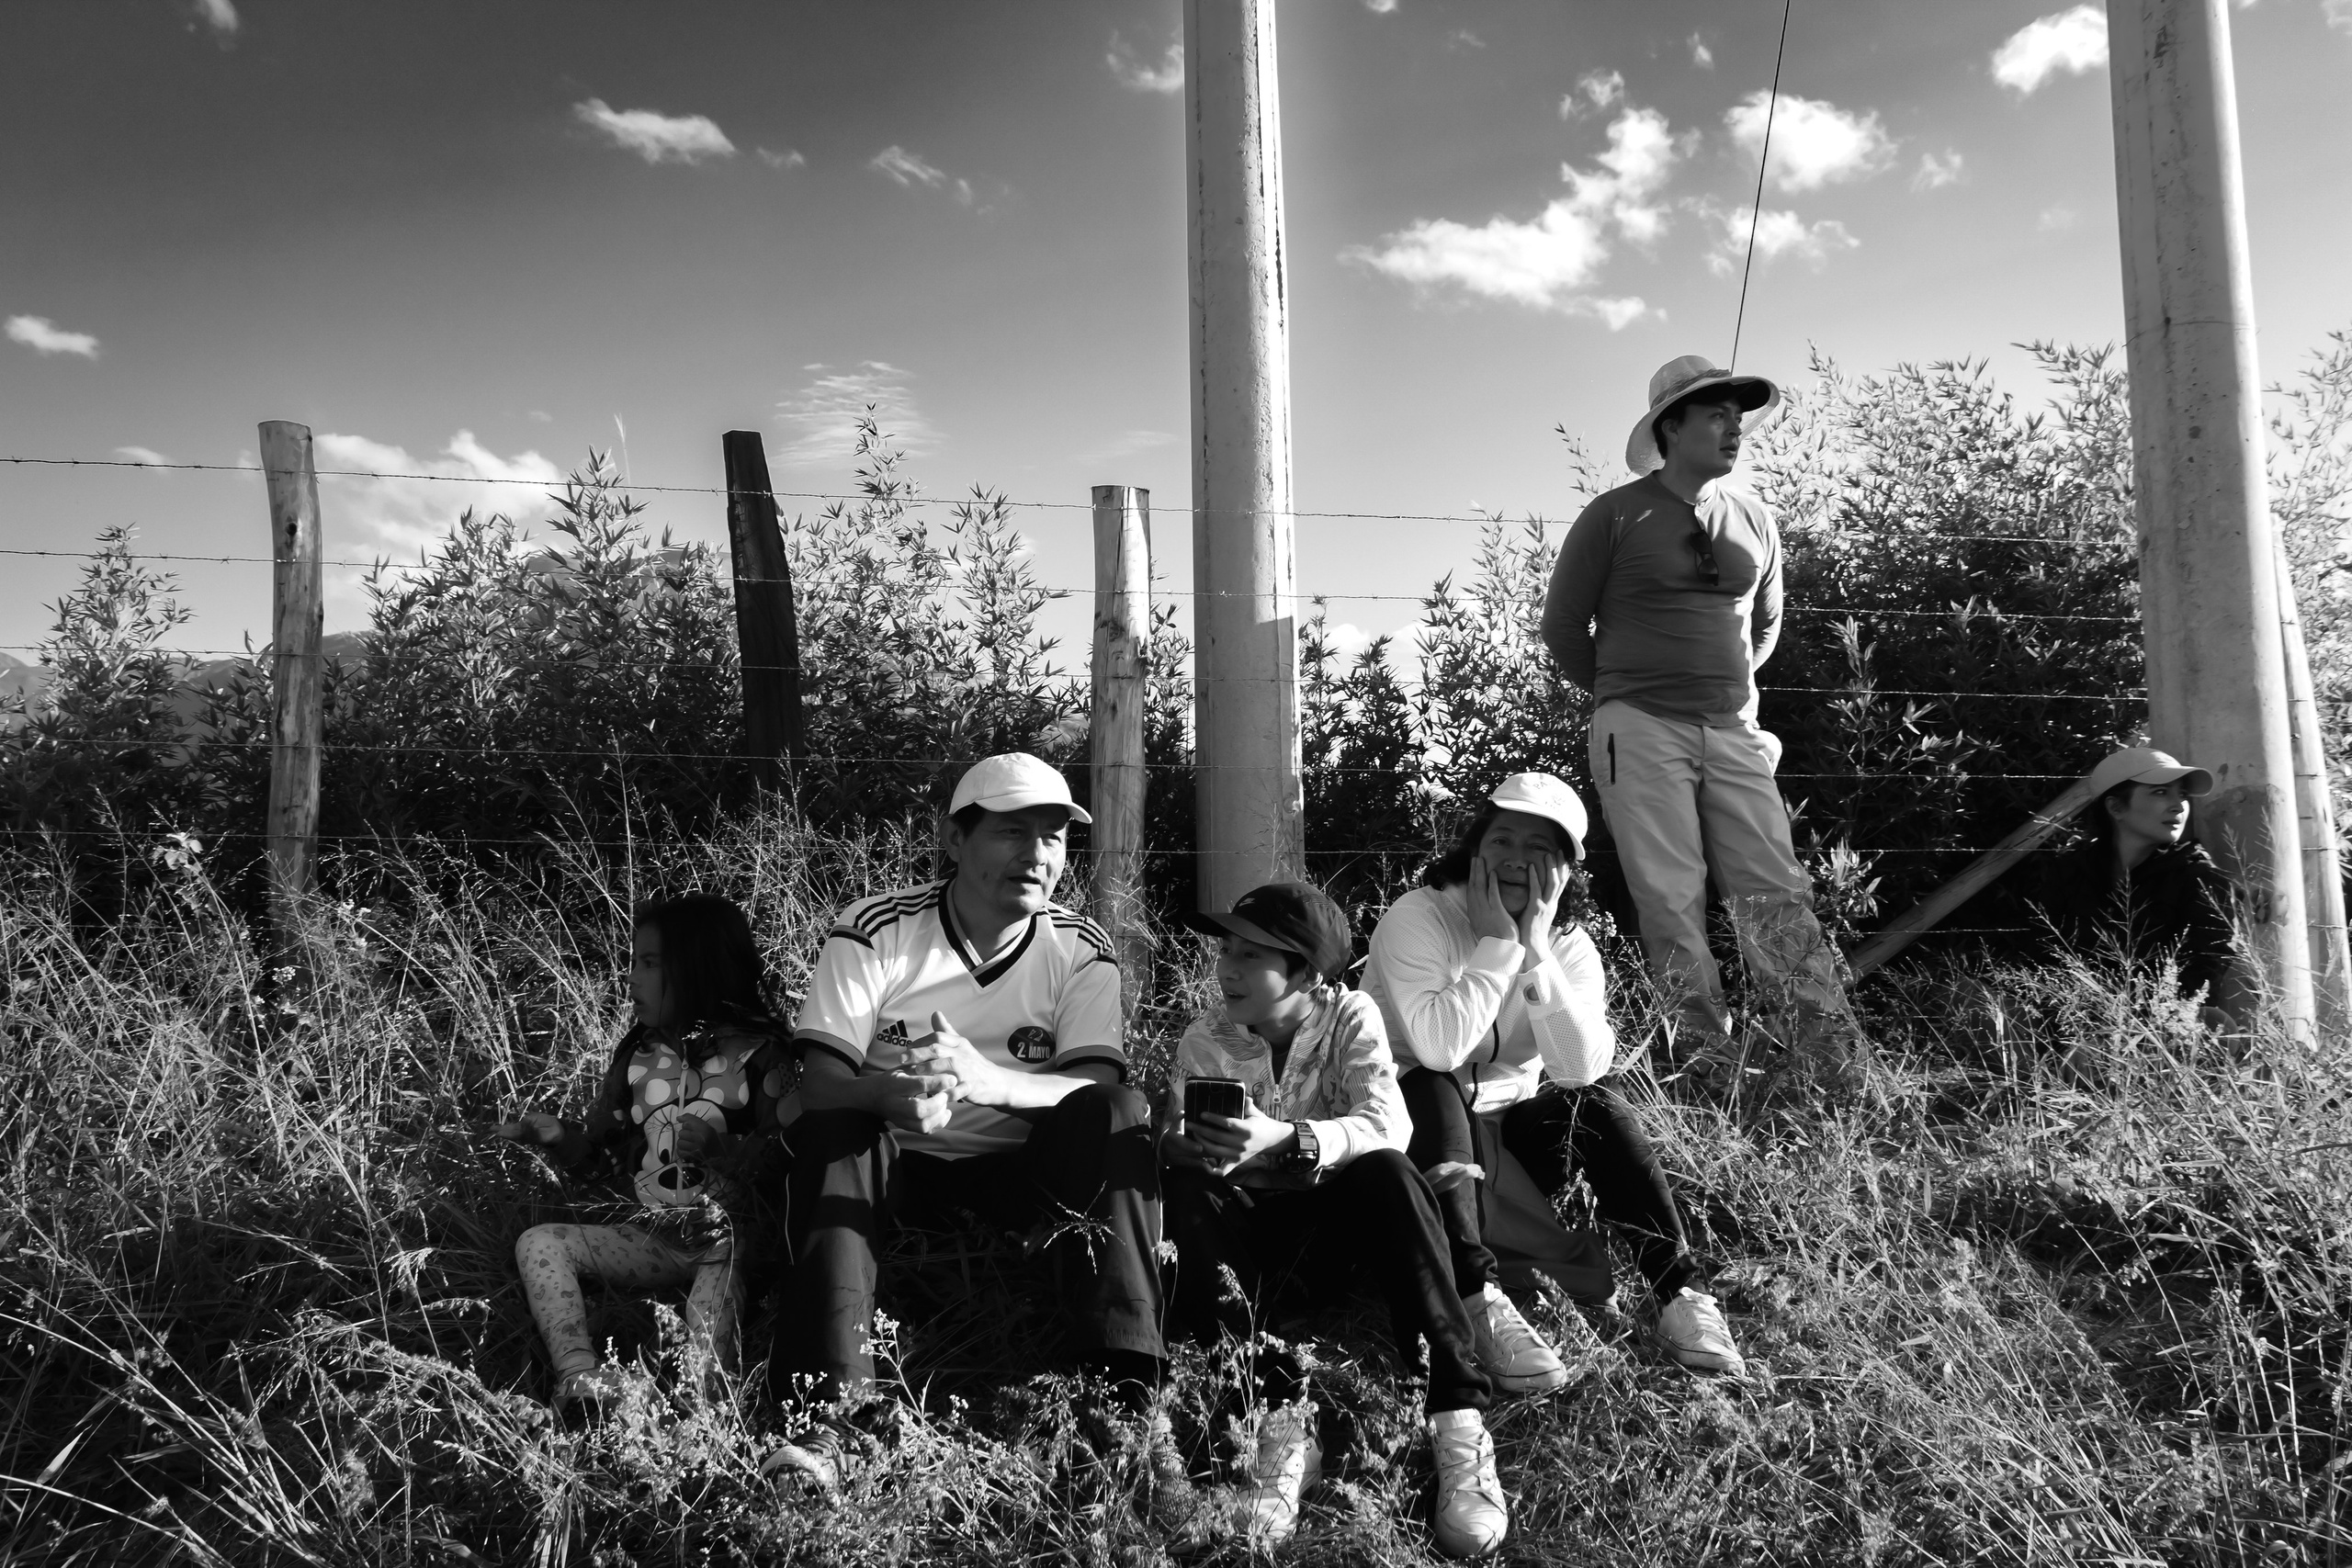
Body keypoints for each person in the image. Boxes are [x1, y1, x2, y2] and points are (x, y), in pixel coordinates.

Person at [767, 753, 1165, 1496]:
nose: (1038, 854)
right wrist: (884, 1094)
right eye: (1013, 832)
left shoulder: (1080, 946)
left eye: (1054, 837)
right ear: (954, 840)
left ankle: (1127, 1403)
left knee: (1119, 1116)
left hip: (1023, 1181)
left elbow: (1098, 1089)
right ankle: (826, 1417)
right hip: (898, 1168)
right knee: (834, 1127)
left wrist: (989, 1083)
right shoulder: (874, 927)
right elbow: (815, 1078)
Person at [1161, 881, 1508, 1558]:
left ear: (1307, 973)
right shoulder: (1207, 1034)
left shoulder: (1351, 1014)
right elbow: (1183, 1133)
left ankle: (1457, 1417)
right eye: (1224, 949)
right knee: (1180, 1183)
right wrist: (1178, 1143)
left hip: (1333, 1239)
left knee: (1388, 1170)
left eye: (1250, 953)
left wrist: (1284, 1139)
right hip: (1246, 1247)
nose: (1226, 967)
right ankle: (1281, 1422)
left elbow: (1389, 1123)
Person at [1363, 773, 1747, 1382]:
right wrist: (1496, 946)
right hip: (1411, 1140)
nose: (1516, 860)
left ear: (1566, 869)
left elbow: (1580, 1067)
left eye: (1540, 849)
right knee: (1430, 1087)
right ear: (1476, 844)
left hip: (1511, 1141)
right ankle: (1476, 1299)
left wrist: (1536, 949)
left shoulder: (1570, 946)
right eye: (1502, 838)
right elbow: (1439, 1048)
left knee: (1594, 1102)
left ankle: (1681, 1295)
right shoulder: (1421, 916)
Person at [1540, 355, 1859, 1087]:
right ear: (1669, 427)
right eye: (1714, 413)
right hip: (1639, 729)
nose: (1733, 427)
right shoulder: (1614, 514)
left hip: (1734, 732)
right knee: (1671, 899)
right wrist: (1623, 695)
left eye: (1737, 415)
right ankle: (1709, 1069)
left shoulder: (1755, 518)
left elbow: (1767, 626)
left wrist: (1730, 698)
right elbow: (1562, 626)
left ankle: (1828, 1062)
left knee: (1776, 889)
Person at [498, 893, 794, 1422]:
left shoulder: (762, 1054)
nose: (631, 976)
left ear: (702, 967)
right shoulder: (638, 1055)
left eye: (650, 964)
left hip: (730, 1242)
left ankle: (702, 1396)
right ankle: (581, 1376)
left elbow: (789, 1158)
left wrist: (722, 1149)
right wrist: (560, 1139)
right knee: (539, 1242)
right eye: (633, 961)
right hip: (652, 1239)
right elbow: (604, 1158)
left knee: (724, 1257)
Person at [2033, 745, 2256, 1032]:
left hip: (2163, 1032)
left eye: (2183, 795)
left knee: (2217, 1024)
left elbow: (2204, 974)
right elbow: (2042, 955)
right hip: (2072, 1023)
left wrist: (2132, 1024)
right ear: (2115, 807)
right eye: (2160, 792)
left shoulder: (2200, 878)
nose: (2178, 805)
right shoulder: (2069, 872)